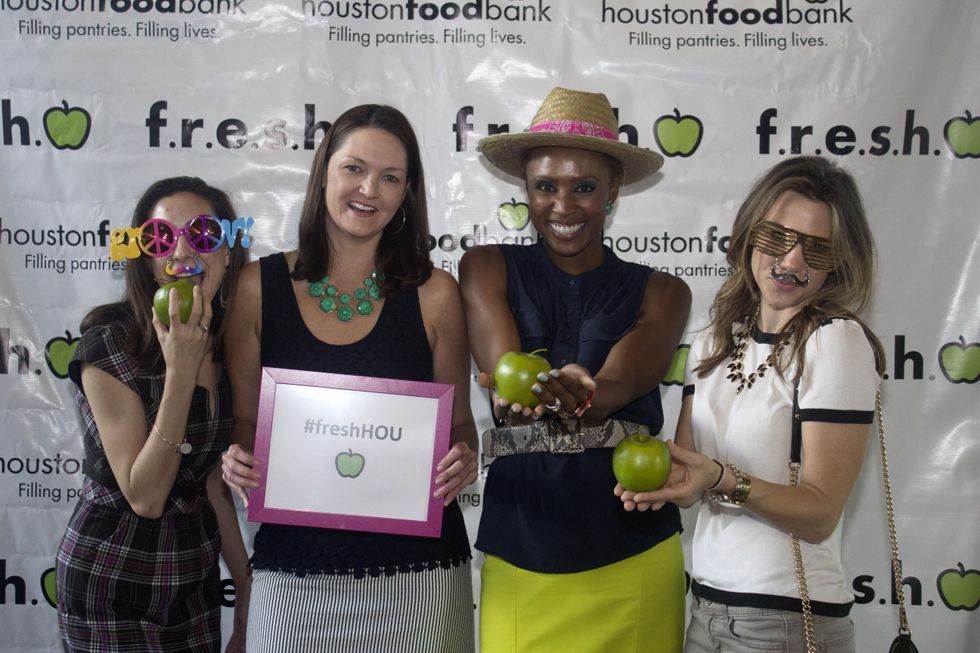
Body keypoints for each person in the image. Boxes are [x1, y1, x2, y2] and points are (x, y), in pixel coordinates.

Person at [219, 104, 479, 652]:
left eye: (391, 178)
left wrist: (463, 457)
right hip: (293, 574)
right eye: (354, 168)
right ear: (324, 173)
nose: (369, 190)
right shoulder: (255, 287)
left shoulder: (435, 293)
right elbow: (245, 419)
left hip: (420, 579)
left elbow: (460, 424)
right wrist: (238, 456)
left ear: (407, 194)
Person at [618, 156, 885, 653]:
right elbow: (689, 479)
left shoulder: (836, 342)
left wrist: (721, 478)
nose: (791, 262)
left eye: (816, 250)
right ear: (749, 235)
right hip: (706, 611)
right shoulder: (714, 342)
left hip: (787, 623)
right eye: (777, 237)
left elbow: (820, 512)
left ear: (839, 262)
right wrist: (666, 481)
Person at [460, 86, 692, 653]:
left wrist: (587, 393)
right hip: (522, 545)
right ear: (526, 190)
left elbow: (616, 385)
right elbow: (504, 370)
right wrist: (531, 389)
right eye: (546, 187)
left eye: (584, 188)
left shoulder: (664, 291)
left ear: (613, 191)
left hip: (632, 546)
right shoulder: (484, 265)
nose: (563, 207)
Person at [56, 176, 251, 652]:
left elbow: (210, 483)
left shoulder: (232, 346)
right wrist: (180, 373)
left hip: (192, 580)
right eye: (162, 239)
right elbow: (145, 496)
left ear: (228, 251)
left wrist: (246, 590)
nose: (182, 253)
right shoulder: (109, 343)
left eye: (202, 234)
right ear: (146, 258)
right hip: (112, 577)